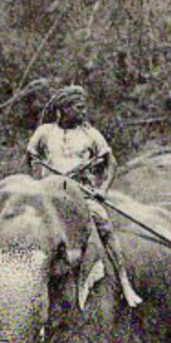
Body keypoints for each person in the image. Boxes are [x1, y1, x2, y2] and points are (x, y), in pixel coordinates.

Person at [24, 84, 141, 307]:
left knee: (104, 226)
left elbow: (111, 163)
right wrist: (34, 184)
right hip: (48, 194)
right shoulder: (44, 132)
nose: (83, 111)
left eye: (84, 107)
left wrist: (102, 190)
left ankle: (125, 283)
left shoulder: (91, 134)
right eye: (78, 107)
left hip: (81, 194)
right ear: (63, 109)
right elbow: (30, 158)